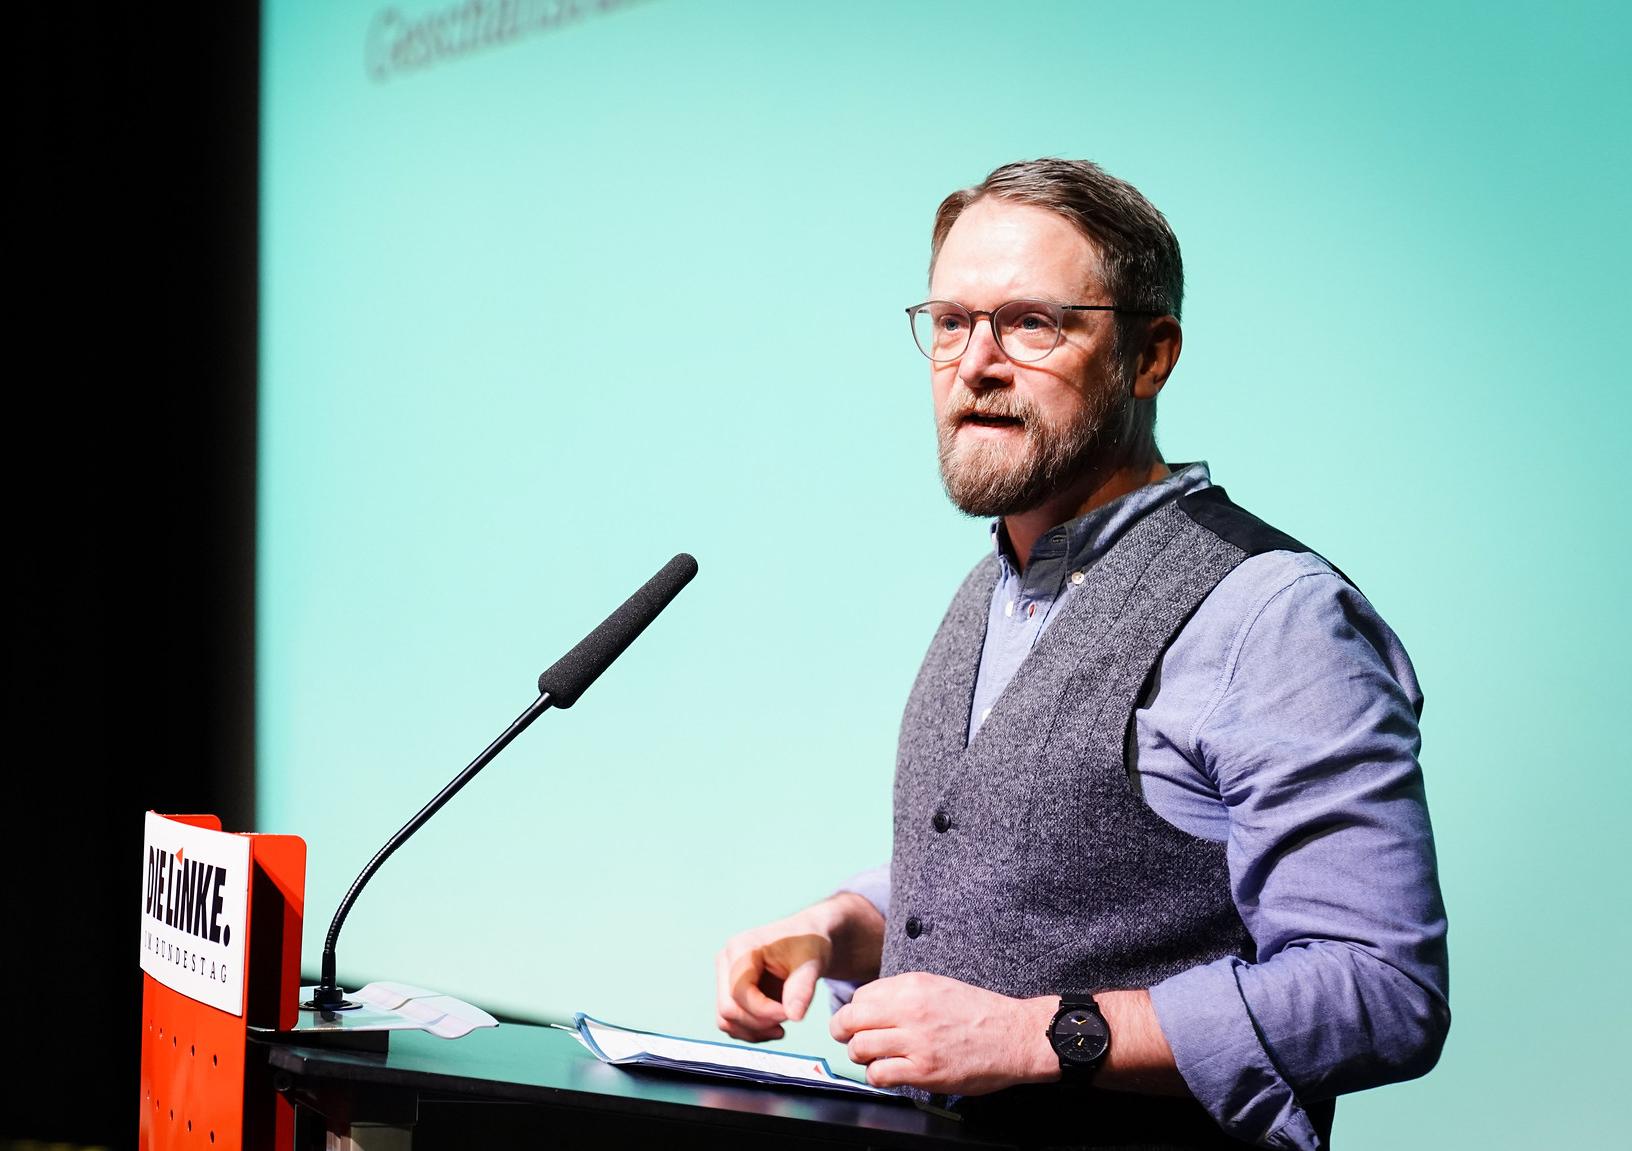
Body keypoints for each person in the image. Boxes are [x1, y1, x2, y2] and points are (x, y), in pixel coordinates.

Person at [714, 159, 1449, 1150]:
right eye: (950, 322)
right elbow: (1034, 864)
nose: (976, 361)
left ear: (1150, 358)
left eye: (1031, 323)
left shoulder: (1275, 615)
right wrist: (842, 923)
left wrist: (1033, 1034)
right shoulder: (995, 584)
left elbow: (1380, 989)